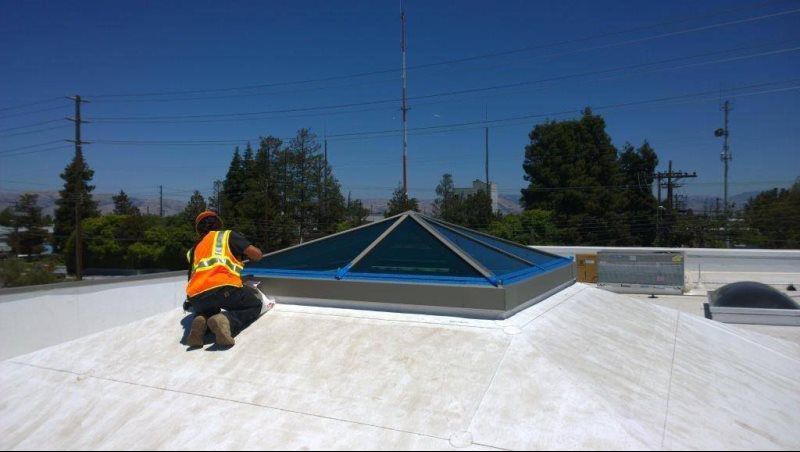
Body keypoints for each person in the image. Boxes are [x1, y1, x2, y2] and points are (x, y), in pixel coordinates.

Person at [184, 210, 265, 348]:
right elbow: (257, 255)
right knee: (255, 304)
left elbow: (194, 276)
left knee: (209, 311)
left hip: (196, 298)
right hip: (223, 289)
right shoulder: (227, 236)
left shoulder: (192, 251)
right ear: (218, 224)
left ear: (199, 230)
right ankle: (226, 320)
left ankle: (202, 321)